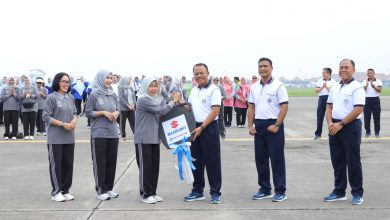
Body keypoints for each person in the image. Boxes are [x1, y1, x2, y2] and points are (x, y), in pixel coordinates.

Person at [324, 59, 365, 205]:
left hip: (350, 127)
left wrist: (340, 124)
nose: (343, 70)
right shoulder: (335, 86)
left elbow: (358, 109)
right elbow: (329, 106)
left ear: (353, 70)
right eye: (341, 67)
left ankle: (357, 193)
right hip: (334, 126)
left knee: (352, 160)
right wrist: (330, 123)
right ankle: (339, 191)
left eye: (346, 67)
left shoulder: (357, 87)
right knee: (337, 161)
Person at [247, 57, 289, 202]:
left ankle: (280, 190)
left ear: (271, 68)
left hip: (273, 125)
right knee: (261, 160)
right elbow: (251, 107)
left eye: (265, 66)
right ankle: (265, 189)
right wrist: (250, 125)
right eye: (260, 66)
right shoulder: (254, 87)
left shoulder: (279, 86)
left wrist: (277, 124)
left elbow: (284, 106)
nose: (262, 69)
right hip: (259, 125)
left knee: (277, 159)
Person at [134, 77, 180, 204]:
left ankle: (152, 192)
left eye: (156, 86)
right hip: (143, 139)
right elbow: (162, 109)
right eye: (151, 86)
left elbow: (163, 102)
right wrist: (174, 101)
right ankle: (145, 194)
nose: (154, 89)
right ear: (144, 87)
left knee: (154, 167)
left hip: (154, 138)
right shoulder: (143, 100)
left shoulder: (155, 99)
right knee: (146, 167)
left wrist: (166, 93)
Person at [184, 63, 222, 204]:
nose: (198, 76)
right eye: (196, 73)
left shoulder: (214, 90)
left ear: (208, 73)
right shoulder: (194, 90)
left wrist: (202, 127)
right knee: (196, 161)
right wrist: (178, 104)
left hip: (208, 127)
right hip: (195, 128)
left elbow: (215, 111)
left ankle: (215, 192)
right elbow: (189, 108)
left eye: (201, 73)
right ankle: (198, 190)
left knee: (212, 161)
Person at [86, 70, 120, 201]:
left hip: (112, 133)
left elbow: (117, 109)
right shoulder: (94, 94)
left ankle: (109, 188)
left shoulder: (113, 94)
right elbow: (88, 112)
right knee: (100, 162)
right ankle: (101, 190)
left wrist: (116, 113)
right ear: (101, 79)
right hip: (99, 133)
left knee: (111, 161)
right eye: (107, 78)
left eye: (111, 78)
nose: (109, 80)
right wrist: (102, 113)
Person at [43, 72, 78, 202]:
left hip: (69, 137)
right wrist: (63, 124)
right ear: (57, 82)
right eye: (63, 81)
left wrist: (74, 121)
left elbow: (74, 112)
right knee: (56, 165)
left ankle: (65, 190)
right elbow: (46, 116)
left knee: (68, 164)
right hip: (55, 138)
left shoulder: (70, 97)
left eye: (68, 82)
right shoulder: (51, 97)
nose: (65, 84)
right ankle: (56, 191)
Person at [314, 68, 336, 140]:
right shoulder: (320, 81)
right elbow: (316, 91)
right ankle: (318, 134)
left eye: (324, 73)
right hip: (321, 99)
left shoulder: (333, 82)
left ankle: (332, 133)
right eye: (322, 73)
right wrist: (322, 87)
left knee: (331, 118)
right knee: (319, 117)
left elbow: (333, 92)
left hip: (330, 100)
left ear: (329, 74)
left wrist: (326, 87)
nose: (323, 74)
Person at [362, 68, 382, 138]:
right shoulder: (364, 81)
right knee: (367, 117)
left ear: (374, 73)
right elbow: (362, 91)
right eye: (368, 73)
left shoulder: (378, 81)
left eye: (370, 73)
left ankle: (377, 132)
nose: (369, 74)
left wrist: (373, 86)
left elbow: (379, 90)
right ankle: (368, 132)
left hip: (375, 100)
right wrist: (367, 85)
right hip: (367, 100)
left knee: (377, 117)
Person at [118, 76, 136, 140]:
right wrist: (127, 105)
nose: (130, 81)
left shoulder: (130, 87)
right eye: (129, 79)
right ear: (125, 80)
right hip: (124, 108)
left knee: (133, 121)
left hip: (131, 107)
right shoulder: (120, 87)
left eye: (130, 80)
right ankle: (123, 135)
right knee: (123, 122)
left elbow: (134, 96)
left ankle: (136, 134)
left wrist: (133, 104)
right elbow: (121, 98)